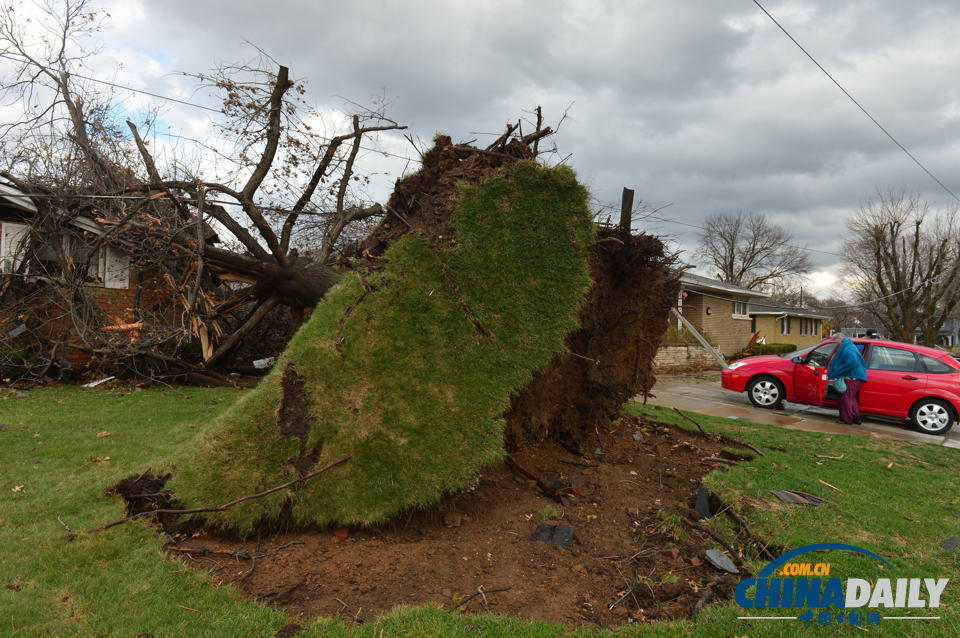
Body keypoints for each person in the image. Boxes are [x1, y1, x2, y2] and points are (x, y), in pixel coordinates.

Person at [826, 333, 867, 424]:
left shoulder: (848, 349)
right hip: (858, 377)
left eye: (836, 343)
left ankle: (847, 419)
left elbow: (852, 363)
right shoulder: (849, 346)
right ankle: (856, 418)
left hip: (853, 377)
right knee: (850, 397)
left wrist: (837, 372)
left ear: (839, 341)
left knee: (845, 398)